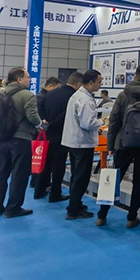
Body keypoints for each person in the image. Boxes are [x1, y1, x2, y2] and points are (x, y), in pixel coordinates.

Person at [96, 65, 140, 228]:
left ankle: (102, 216)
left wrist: (111, 144)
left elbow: (114, 121)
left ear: (135, 76)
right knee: (139, 181)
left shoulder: (123, 95)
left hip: (123, 143)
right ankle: (132, 217)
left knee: (114, 179)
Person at [34, 72, 84, 202]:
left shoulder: (50, 94)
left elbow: (40, 109)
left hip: (48, 133)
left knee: (46, 163)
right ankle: (55, 193)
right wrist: (53, 124)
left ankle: (39, 190)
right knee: (59, 166)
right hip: (62, 133)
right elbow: (66, 115)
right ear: (78, 84)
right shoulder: (73, 97)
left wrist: (46, 122)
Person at [62, 69, 104, 219]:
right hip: (82, 143)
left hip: (75, 142)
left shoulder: (77, 96)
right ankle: (73, 209)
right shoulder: (85, 99)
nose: (100, 85)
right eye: (99, 82)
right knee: (81, 178)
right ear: (91, 82)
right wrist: (101, 122)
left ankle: (75, 204)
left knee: (76, 176)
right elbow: (87, 123)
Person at [0, 68, 42, 218]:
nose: (29, 80)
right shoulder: (27, 95)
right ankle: (13, 208)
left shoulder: (1, 93)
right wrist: (40, 124)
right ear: (19, 79)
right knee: (19, 175)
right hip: (21, 138)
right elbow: (32, 116)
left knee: (2, 173)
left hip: (2, 138)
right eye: (27, 77)